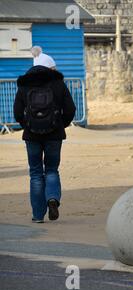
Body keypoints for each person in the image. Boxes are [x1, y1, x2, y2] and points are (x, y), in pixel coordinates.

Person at [13, 51, 76, 223]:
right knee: (51, 170)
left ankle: (38, 215)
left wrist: (27, 126)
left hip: (31, 135)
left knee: (35, 173)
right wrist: (60, 125)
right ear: (50, 67)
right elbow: (70, 109)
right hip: (54, 135)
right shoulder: (58, 84)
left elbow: (17, 112)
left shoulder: (24, 84)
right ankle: (53, 198)